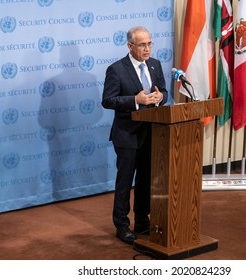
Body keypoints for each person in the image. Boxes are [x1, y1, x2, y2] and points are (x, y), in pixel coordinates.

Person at [102, 26, 168, 245]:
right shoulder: (116, 69)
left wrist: (160, 97)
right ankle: (121, 225)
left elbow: (164, 93)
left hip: (151, 132)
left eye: (149, 43)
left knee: (145, 180)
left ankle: (142, 220)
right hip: (126, 134)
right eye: (142, 45)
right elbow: (108, 100)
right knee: (125, 181)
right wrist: (135, 100)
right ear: (130, 46)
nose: (147, 49)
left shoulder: (155, 64)